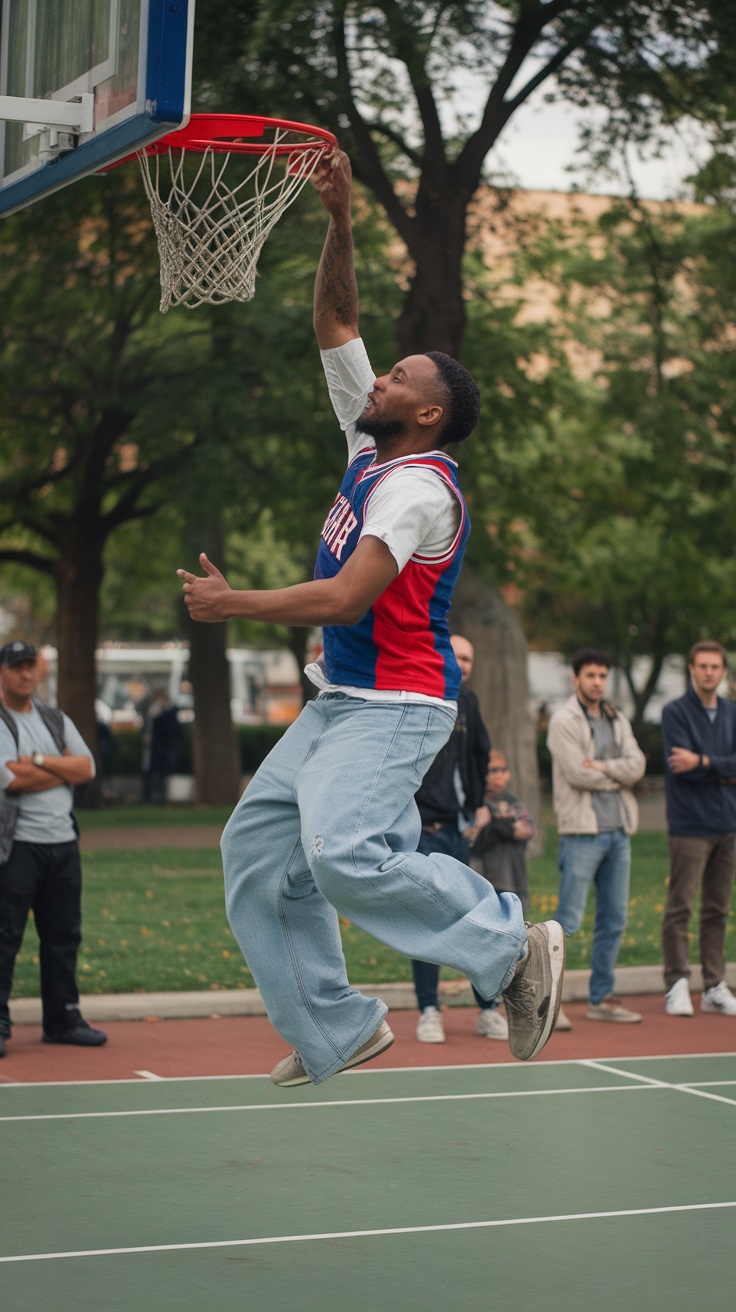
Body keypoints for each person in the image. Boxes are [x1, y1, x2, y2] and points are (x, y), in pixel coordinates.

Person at [177, 148, 565, 1087]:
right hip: (343, 696)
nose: (375, 379)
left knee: (343, 850)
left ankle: (511, 949)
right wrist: (342, 221)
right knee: (256, 854)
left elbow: (350, 596)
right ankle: (337, 1027)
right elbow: (337, 319)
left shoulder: (420, 491)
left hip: (400, 702)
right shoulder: (369, 441)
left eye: (395, 378)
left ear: (427, 414)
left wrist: (233, 604)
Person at [0, 640, 106, 1058]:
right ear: (2, 673)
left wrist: (41, 763)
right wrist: (62, 769)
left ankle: (63, 1019)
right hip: (17, 847)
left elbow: (87, 767)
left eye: (30, 667)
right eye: (16, 667)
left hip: (62, 844)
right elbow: (12, 780)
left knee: (63, 936)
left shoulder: (54, 719)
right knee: (5, 937)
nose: (25, 674)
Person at [411, 634, 508, 1045]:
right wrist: (412, 816)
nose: (463, 663)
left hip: (460, 829)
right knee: (427, 921)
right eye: (457, 655)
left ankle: (487, 1009)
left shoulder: (468, 702)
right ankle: (429, 1010)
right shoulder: (417, 696)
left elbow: (481, 755)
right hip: (426, 832)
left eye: (469, 657)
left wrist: (478, 806)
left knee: (474, 919)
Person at [547, 647, 645, 1029]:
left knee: (614, 919)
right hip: (581, 834)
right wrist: (617, 775)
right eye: (590, 676)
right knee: (566, 923)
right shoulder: (563, 720)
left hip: (618, 832)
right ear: (576, 679)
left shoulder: (616, 717)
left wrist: (603, 767)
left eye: (602, 676)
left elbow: (637, 766)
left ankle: (600, 997)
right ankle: (549, 1004)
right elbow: (576, 774)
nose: (597, 682)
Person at [661, 640, 736, 1017]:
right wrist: (722, 769)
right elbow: (680, 766)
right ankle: (676, 983)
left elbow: (708, 764)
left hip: (728, 824)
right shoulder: (675, 713)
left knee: (717, 909)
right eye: (702, 666)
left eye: (715, 666)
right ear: (691, 669)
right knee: (681, 907)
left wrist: (704, 761)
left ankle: (713, 985)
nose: (709, 672)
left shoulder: (732, 714)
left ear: (723, 672)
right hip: (689, 825)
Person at [471, 750, 534, 916]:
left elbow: (526, 831)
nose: (499, 776)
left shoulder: (514, 804)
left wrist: (505, 823)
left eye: (503, 770)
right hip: (482, 879)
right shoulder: (472, 802)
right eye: (493, 771)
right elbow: (469, 837)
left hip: (512, 877)